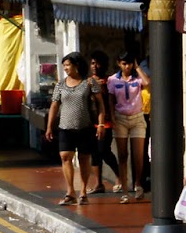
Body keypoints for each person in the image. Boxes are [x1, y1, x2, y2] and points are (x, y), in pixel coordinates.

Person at [44, 51, 105, 206]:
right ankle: (70, 191)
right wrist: (49, 126)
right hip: (65, 126)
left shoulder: (90, 83)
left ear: (76, 65)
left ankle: (83, 191)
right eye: (64, 65)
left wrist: (101, 124)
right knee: (65, 156)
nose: (65, 68)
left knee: (84, 158)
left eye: (67, 65)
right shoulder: (60, 85)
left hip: (85, 127)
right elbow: (54, 105)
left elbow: (100, 105)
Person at [108, 51, 151, 202]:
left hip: (137, 118)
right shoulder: (112, 80)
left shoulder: (137, 78)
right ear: (119, 63)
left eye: (129, 63)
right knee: (122, 155)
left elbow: (147, 82)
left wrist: (138, 67)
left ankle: (138, 184)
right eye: (124, 63)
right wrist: (112, 117)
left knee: (138, 154)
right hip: (120, 118)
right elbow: (111, 99)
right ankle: (125, 190)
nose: (127, 66)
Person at [87, 50, 120, 194]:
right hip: (91, 122)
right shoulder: (88, 81)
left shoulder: (110, 81)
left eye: (97, 63)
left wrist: (102, 87)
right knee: (94, 153)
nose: (95, 66)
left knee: (104, 151)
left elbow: (113, 99)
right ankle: (98, 183)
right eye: (93, 63)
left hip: (105, 122)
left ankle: (120, 177)